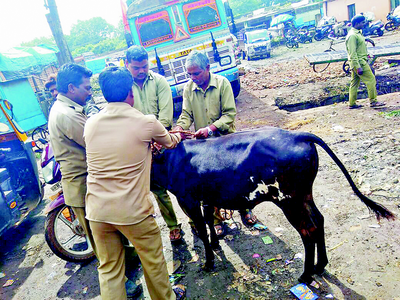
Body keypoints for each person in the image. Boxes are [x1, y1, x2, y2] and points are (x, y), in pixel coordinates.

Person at [84, 66, 186, 300]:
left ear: (103, 93)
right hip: (133, 213)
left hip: (97, 212)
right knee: (153, 261)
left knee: (109, 269)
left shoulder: (90, 123)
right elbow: (170, 142)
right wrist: (179, 133)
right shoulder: (146, 122)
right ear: (131, 91)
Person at [48, 63, 140, 298]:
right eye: (86, 87)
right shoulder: (67, 114)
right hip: (83, 188)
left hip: (89, 185)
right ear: (71, 88)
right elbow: (98, 142)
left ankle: (129, 264)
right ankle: (123, 286)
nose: (90, 92)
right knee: (103, 247)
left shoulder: (68, 108)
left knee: (112, 232)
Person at [173, 51, 258, 237]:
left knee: (236, 179)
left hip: (227, 142)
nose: (193, 78)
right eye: (190, 74)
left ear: (208, 68)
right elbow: (186, 114)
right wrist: (180, 127)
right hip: (205, 147)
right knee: (210, 184)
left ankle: (245, 209)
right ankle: (216, 219)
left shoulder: (222, 84)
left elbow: (229, 114)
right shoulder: (188, 88)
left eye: (196, 73)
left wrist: (210, 128)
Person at [125, 45, 183, 242]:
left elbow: (165, 115)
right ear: (126, 65)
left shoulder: (159, 81)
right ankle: (173, 226)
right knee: (158, 190)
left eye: (144, 66)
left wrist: (159, 139)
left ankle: (193, 220)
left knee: (180, 184)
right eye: (136, 68)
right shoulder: (124, 87)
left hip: (164, 141)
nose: (141, 71)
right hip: (140, 148)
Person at [345, 14, 385, 109]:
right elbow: (352, 53)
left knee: (354, 83)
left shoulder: (357, 33)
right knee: (371, 80)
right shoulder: (352, 36)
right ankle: (373, 101)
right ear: (357, 23)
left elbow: (358, 46)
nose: (364, 24)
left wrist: (366, 47)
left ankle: (352, 103)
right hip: (359, 62)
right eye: (362, 22)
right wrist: (358, 66)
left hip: (359, 61)